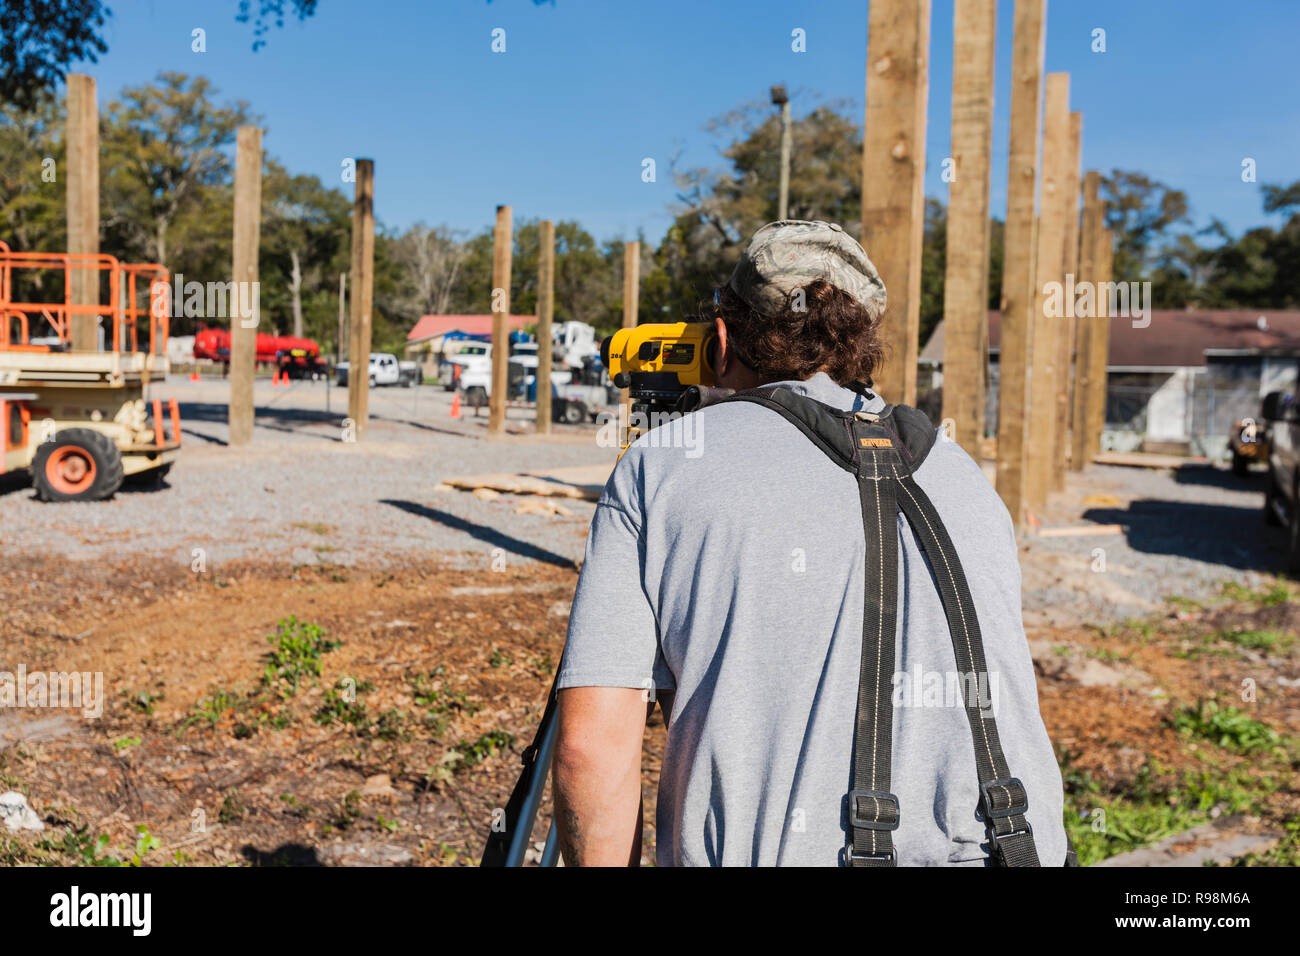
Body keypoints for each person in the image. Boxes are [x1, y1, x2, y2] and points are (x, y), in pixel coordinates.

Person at [552, 220, 1068, 866]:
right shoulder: (964, 475)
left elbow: (590, 749)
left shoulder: (661, 468)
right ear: (864, 346)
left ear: (721, 340)